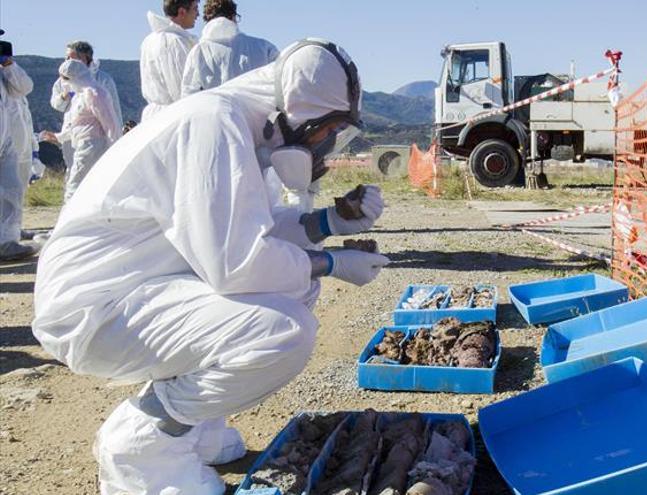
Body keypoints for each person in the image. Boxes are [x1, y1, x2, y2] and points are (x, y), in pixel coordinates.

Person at [33, 40, 388, 494]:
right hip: (93, 307)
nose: (324, 147)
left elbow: (246, 229)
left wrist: (331, 221)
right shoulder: (213, 125)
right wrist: (333, 263)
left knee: (290, 291)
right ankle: (141, 448)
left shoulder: (241, 127)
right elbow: (236, 263)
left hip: (137, 289)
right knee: (282, 329)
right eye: (324, 133)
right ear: (295, 114)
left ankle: (195, 431)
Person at [42, 60, 122, 203]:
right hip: (81, 144)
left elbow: (111, 124)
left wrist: (115, 149)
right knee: (81, 185)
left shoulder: (95, 94)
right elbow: (77, 124)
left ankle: (70, 222)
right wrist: (59, 137)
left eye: (66, 78)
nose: (63, 82)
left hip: (93, 145)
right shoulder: (79, 95)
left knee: (75, 185)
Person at [181, 0, 278, 97]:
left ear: (207, 21)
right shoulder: (264, 48)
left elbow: (188, 95)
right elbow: (280, 81)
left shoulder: (198, 52)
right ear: (233, 17)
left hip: (213, 110)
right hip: (256, 111)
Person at [50, 41, 123, 150]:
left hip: (96, 138)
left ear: (85, 58)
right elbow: (57, 105)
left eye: (71, 58)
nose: (68, 62)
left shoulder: (103, 79)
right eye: (66, 58)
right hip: (70, 134)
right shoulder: (63, 80)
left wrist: (117, 141)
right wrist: (63, 97)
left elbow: (114, 111)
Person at [0, 38, 36, 262]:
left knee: (12, 189)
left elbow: (24, 88)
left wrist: (9, 65)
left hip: (5, 141)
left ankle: (7, 241)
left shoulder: (3, 72)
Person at [140, 0, 199, 121]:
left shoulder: (148, 41)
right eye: (195, 8)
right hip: (174, 116)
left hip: (152, 119)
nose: (198, 14)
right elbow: (183, 87)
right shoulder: (176, 42)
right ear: (182, 12)